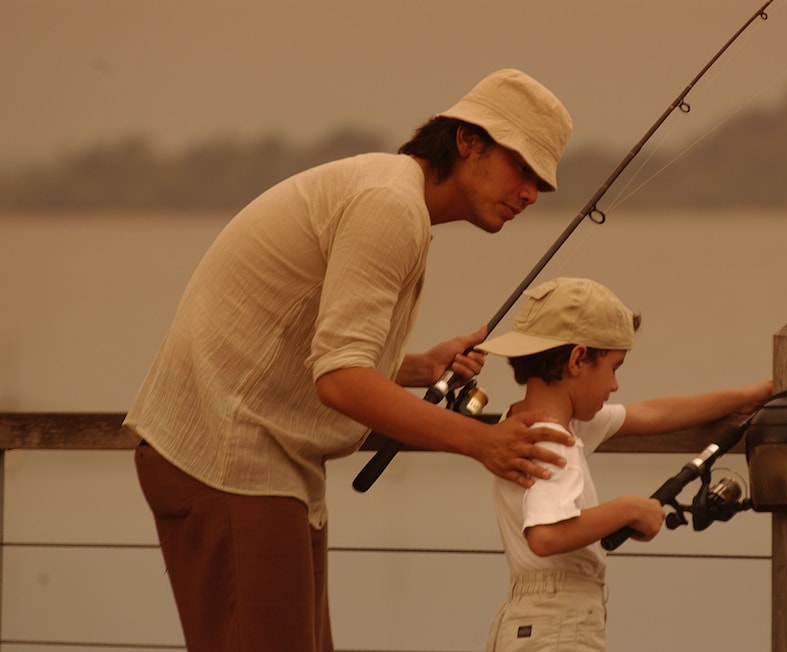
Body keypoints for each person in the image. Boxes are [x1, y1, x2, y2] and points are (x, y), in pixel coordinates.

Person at [124, 68, 577, 652]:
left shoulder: (389, 194)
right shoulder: (389, 206)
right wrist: (482, 442)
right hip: (227, 460)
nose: (531, 194)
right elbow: (339, 380)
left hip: (255, 460)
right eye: (523, 168)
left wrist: (419, 368)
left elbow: (321, 354)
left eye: (541, 182)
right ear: (468, 141)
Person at [476, 277, 773, 652]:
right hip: (558, 626)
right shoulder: (554, 442)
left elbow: (651, 414)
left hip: (529, 615)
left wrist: (745, 397)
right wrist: (627, 508)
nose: (615, 385)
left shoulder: (524, 424)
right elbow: (545, 535)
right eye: (614, 368)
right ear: (578, 360)